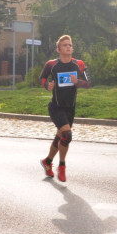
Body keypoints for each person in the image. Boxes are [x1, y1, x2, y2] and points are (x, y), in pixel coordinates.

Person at [38, 35, 91, 183]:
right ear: (59, 49)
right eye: (65, 45)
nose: (68, 47)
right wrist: (47, 85)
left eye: (70, 45)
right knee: (67, 135)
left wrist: (78, 81)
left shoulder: (79, 64)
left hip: (70, 108)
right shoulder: (51, 64)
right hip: (56, 107)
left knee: (61, 137)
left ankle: (47, 161)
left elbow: (89, 82)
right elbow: (42, 78)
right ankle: (61, 166)